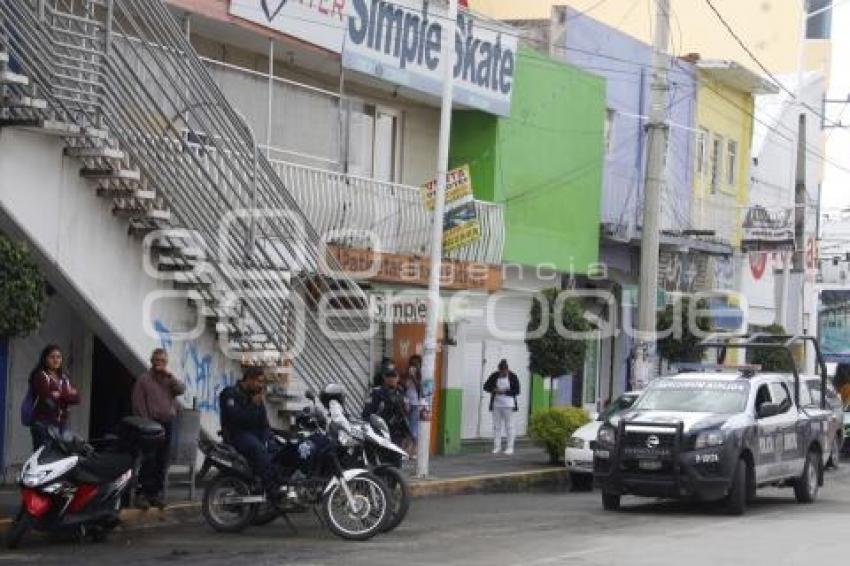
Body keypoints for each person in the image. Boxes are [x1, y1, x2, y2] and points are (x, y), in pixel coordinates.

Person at [131, 349, 185, 510]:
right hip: (151, 424)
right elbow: (138, 403)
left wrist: (170, 376)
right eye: (156, 360)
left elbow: (181, 389)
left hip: (167, 422)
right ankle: (142, 494)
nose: (159, 363)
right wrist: (146, 424)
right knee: (149, 458)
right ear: (151, 361)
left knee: (162, 459)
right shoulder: (144, 380)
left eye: (162, 360)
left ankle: (156, 493)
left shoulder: (169, 380)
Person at [219, 367, 278, 498]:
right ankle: (271, 490)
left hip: (255, 434)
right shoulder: (230, 393)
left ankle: (275, 483)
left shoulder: (256, 397)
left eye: (262, 382)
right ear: (249, 379)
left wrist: (270, 437)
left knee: (277, 449)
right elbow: (236, 419)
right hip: (236, 434)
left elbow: (263, 422)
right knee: (259, 449)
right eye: (259, 381)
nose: (261, 385)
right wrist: (252, 405)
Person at [29, 345, 79, 451]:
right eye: (52, 357)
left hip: (61, 425)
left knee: (59, 458)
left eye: (59, 357)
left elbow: (76, 399)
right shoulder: (41, 376)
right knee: (44, 458)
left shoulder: (64, 378)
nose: (56, 360)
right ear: (45, 359)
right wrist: (67, 394)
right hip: (43, 424)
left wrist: (59, 394)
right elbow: (48, 399)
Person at [363, 369, 411, 447]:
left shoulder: (401, 393)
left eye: (394, 376)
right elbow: (366, 413)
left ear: (398, 378)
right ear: (384, 378)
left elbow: (405, 413)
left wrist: (406, 434)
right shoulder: (377, 393)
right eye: (389, 376)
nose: (391, 379)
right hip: (380, 431)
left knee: (396, 456)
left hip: (396, 432)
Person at [483, 359, 520, 456]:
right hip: (496, 405)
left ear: (507, 369)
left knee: (509, 426)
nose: (502, 373)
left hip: (509, 405)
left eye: (504, 371)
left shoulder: (513, 376)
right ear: (499, 370)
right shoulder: (494, 375)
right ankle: (497, 447)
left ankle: (510, 447)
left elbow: (517, 391)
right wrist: (494, 390)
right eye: (501, 371)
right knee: (496, 426)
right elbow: (485, 386)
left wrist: (505, 392)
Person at [402, 355, 422, 457]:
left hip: (415, 404)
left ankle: (413, 451)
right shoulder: (407, 374)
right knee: (406, 428)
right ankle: (407, 451)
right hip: (407, 404)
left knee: (413, 429)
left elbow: (420, 389)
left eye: (416, 364)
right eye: (412, 363)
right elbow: (403, 387)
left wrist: (413, 377)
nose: (413, 365)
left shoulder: (421, 375)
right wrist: (407, 376)